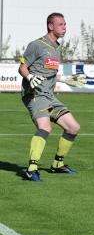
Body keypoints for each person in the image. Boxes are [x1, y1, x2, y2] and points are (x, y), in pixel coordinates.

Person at [18, 12, 87, 181]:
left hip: (49, 96)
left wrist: (64, 79)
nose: (65, 28)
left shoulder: (57, 48)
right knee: (45, 128)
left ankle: (57, 165)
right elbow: (22, 67)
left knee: (73, 127)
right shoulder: (37, 45)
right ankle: (31, 169)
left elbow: (48, 73)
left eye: (65, 24)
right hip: (34, 95)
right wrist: (30, 77)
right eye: (61, 24)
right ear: (51, 26)